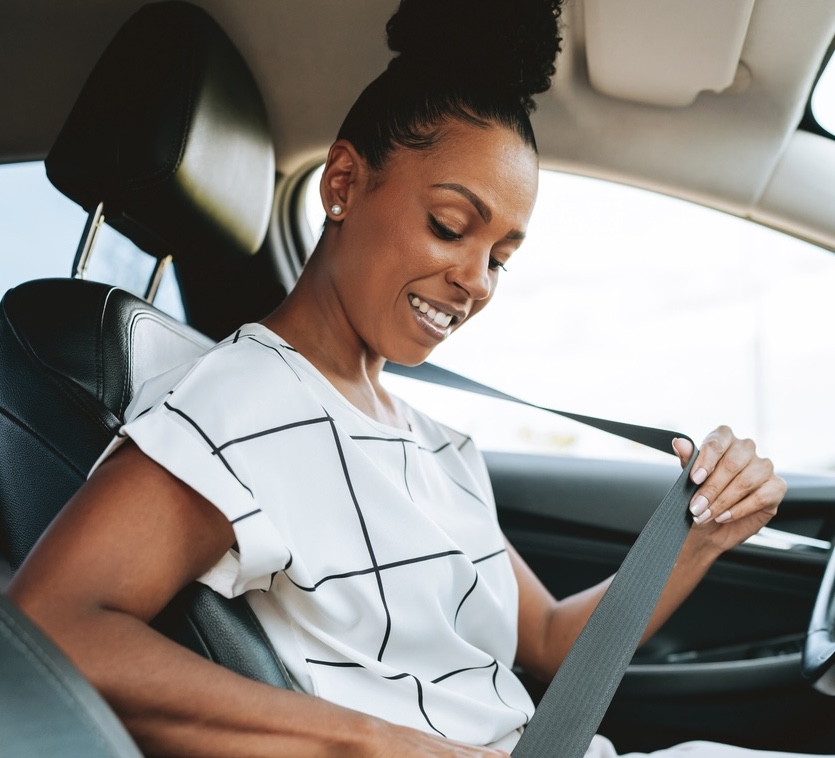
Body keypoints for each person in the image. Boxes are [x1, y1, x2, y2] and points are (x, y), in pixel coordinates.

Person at [6, 0, 806, 756]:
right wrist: (373, 741)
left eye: (499, 257)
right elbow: (52, 623)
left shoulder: (431, 443)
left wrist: (700, 536)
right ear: (343, 185)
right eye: (449, 227)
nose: (476, 281)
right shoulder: (242, 399)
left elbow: (555, 644)